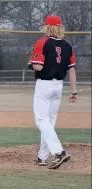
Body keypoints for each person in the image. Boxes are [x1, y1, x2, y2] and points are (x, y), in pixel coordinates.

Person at [27, 15, 77, 169]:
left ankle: (59, 152)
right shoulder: (68, 46)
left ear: (47, 27)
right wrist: (74, 91)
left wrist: (30, 64)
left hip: (44, 85)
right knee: (49, 121)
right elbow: (72, 70)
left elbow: (38, 67)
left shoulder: (42, 42)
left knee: (42, 121)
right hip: (59, 86)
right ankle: (42, 157)